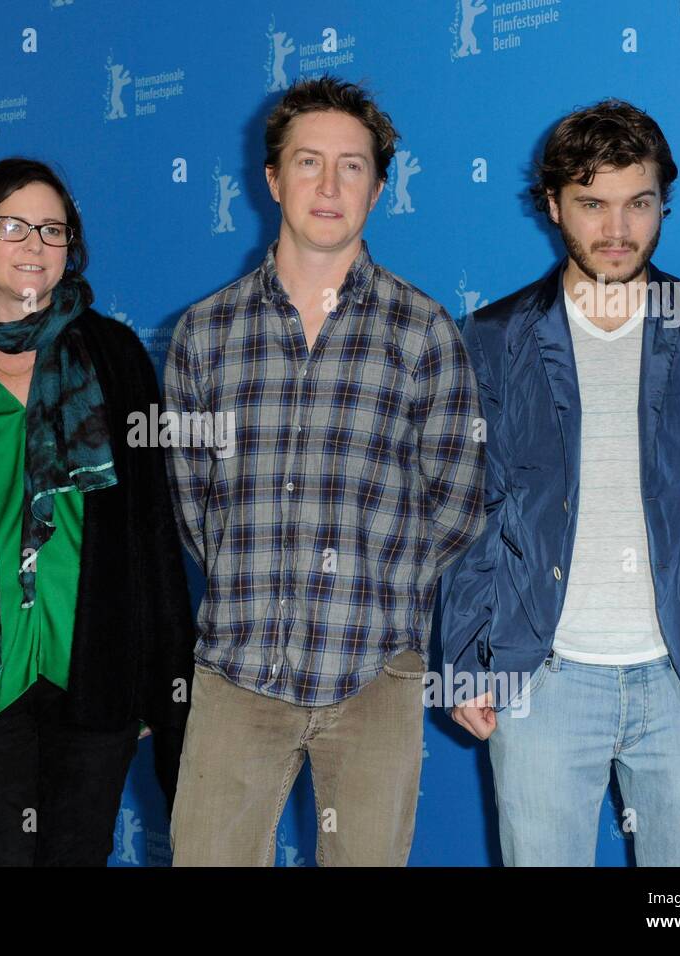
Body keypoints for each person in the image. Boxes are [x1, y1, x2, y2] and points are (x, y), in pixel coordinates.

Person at [440, 99, 680, 866]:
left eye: (638, 203)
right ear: (552, 205)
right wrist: (467, 658)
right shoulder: (494, 338)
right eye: (592, 204)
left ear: (661, 201)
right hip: (543, 679)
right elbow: (472, 508)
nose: (617, 229)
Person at [163, 76, 485, 866]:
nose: (330, 185)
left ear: (379, 187)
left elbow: (457, 500)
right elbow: (193, 504)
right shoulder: (203, 334)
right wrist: (259, 582)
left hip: (375, 673)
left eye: (353, 166)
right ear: (272, 179)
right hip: (237, 672)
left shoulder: (425, 332)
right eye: (308, 162)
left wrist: (382, 594)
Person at [0, 158, 194, 866]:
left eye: (52, 230)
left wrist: (156, 675)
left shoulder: (113, 356)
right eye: (11, 226)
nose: (34, 244)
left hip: (91, 666)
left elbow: (151, 528)